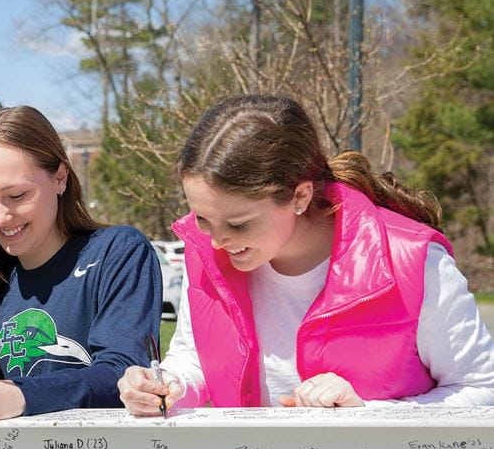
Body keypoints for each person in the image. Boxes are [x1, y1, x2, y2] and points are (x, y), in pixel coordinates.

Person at [118, 95, 494, 414]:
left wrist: (366, 411)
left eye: (239, 223)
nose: (216, 242)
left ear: (299, 196)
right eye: (202, 218)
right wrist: (168, 384)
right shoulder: (206, 254)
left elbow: (481, 391)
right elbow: (195, 359)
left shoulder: (413, 261)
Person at [0, 105, 162, 422]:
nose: (0, 217)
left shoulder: (117, 252)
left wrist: (20, 395)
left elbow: (121, 373)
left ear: (60, 177)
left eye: (16, 195)